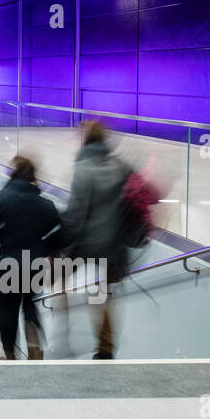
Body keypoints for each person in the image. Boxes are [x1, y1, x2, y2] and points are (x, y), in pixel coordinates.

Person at [59, 120, 132, 359]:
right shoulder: (121, 166)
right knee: (101, 294)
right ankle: (106, 347)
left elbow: (76, 213)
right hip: (113, 248)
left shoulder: (83, 168)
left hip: (86, 244)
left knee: (54, 278)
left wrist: (59, 241)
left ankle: (61, 338)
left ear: (84, 139)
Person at [0, 156, 60, 360]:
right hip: (35, 264)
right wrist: (45, 248)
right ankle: (35, 350)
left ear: (13, 175)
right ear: (34, 178)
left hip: (8, 261)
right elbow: (60, 230)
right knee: (29, 304)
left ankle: (10, 356)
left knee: (8, 310)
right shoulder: (45, 204)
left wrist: (1, 239)